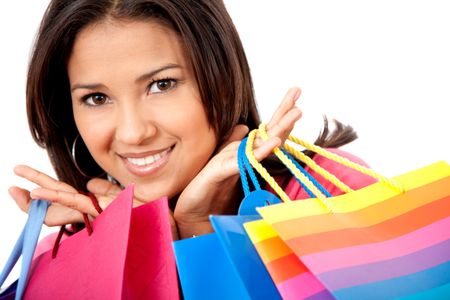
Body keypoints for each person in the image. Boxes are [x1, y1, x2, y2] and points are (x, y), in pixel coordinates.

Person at [8, 0, 374, 243]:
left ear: (222, 78)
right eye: (97, 98)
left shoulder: (331, 196)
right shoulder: (76, 248)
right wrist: (156, 244)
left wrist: (202, 231)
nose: (134, 132)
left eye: (161, 85)